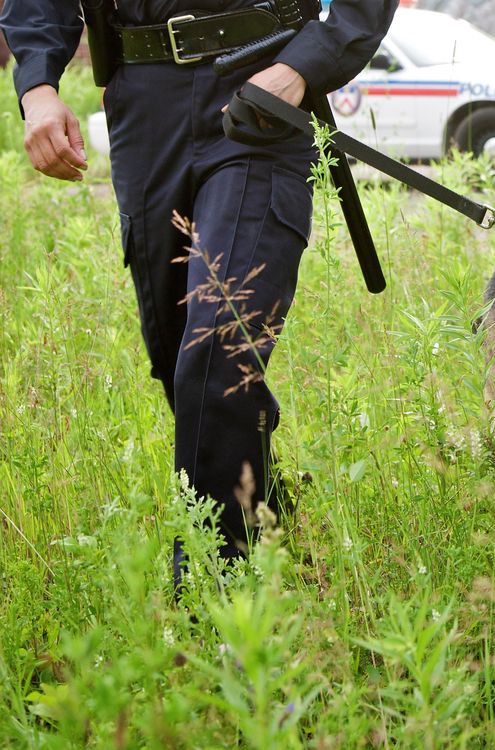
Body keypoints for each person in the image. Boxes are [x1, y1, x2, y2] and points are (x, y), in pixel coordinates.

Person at [0, 0, 399, 584]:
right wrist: (37, 85)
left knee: (219, 342)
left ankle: (214, 589)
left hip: (260, 88)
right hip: (143, 102)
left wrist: (304, 64)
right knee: (177, 359)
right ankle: (265, 518)